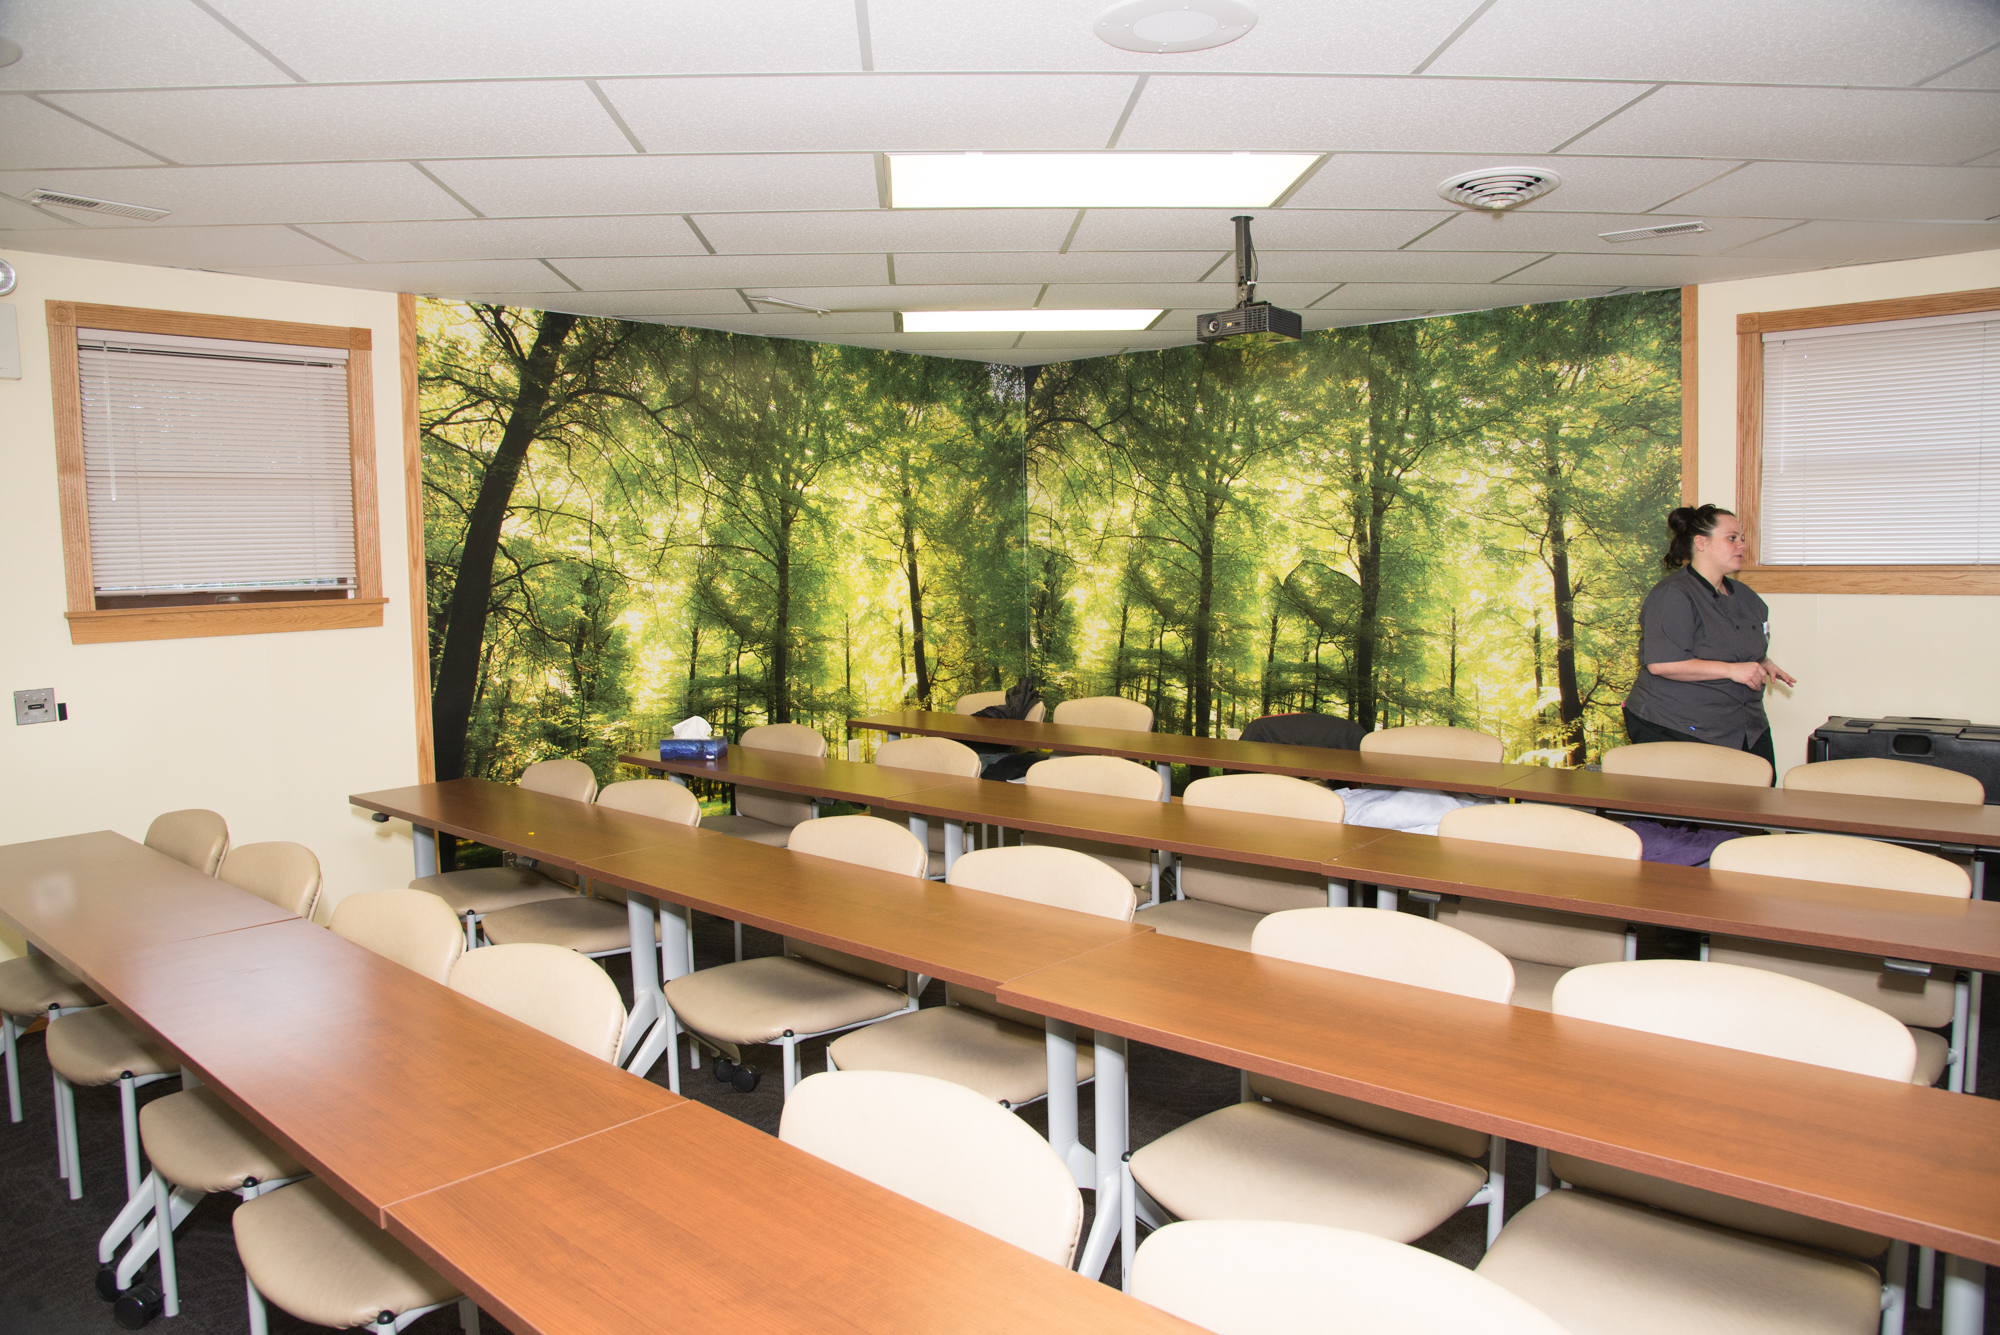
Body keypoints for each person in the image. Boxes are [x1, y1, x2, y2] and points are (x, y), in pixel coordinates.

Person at [1622, 504, 1795, 775]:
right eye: (1732, 538)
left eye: (1742, 539)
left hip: (1743, 723)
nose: (1742, 546)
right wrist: (1732, 670)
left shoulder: (1746, 597)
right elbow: (1662, 664)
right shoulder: (1673, 595)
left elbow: (1739, 646)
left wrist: (1764, 662)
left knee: (1758, 798)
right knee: (1702, 812)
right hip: (1677, 724)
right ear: (1701, 543)